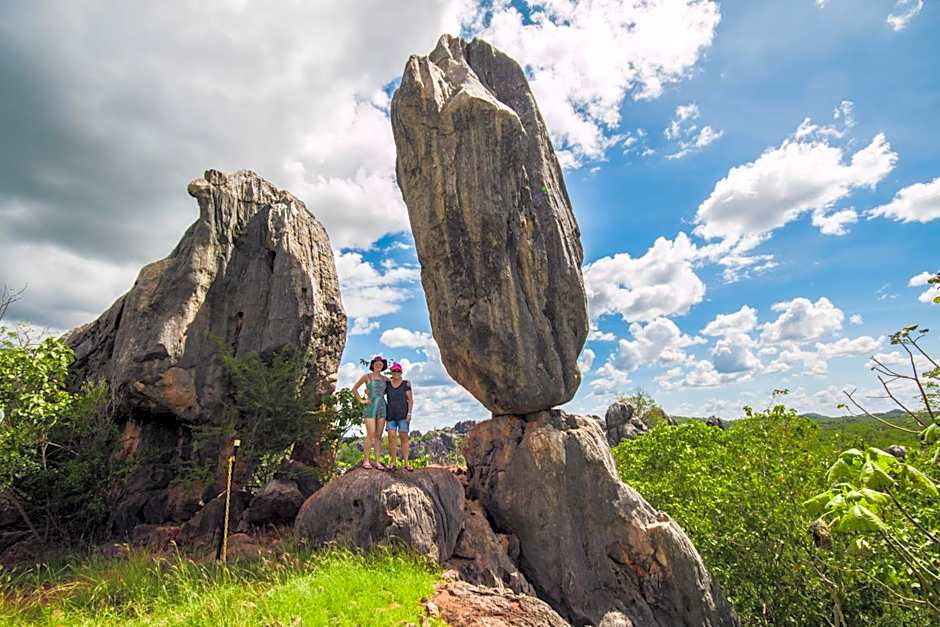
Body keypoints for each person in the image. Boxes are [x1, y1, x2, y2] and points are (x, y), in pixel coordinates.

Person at [353, 355, 388, 469]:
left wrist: (407, 384)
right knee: (370, 433)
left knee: (379, 436)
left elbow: (395, 386)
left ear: (383, 366)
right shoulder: (366, 377)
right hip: (370, 406)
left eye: (381, 364)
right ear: (373, 365)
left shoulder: (385, 379)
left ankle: (377, 461)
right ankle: (366, 460)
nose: (379, 365)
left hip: (382, 406)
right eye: (377, 363)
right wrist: (361, 400)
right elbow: (354, 389)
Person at [385, 362, 414, 470]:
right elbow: (378, 392)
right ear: (391, 372)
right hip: (390, 415)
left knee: (404, 438)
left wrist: (409, 414)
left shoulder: (406, 384)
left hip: (403, 415)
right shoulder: (387, 384)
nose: (396, 373)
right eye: (394, 371)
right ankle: (393, 462)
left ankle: (406, 463)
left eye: (398, 371)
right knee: (391, 438)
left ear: (401, 372)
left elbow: (410, 400)